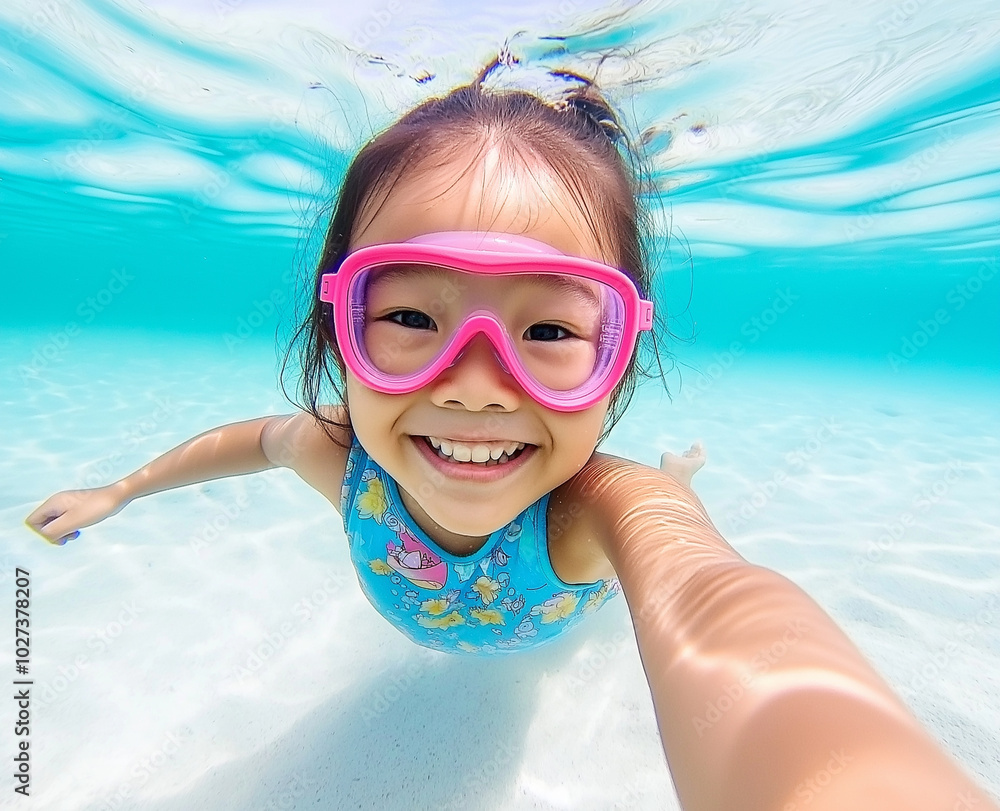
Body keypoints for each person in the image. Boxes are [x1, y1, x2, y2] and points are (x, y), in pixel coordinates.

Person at [25, 60, 997, 811]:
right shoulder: (344, 458)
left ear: (619, 352)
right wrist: (120, 490)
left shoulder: (598, 511)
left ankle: (681, 469)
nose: (480, 388)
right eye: (407, 318)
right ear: (338, 327)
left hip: (588, 574)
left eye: (548, 331)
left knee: (666, 494)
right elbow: (252, 439)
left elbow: (712, 600)